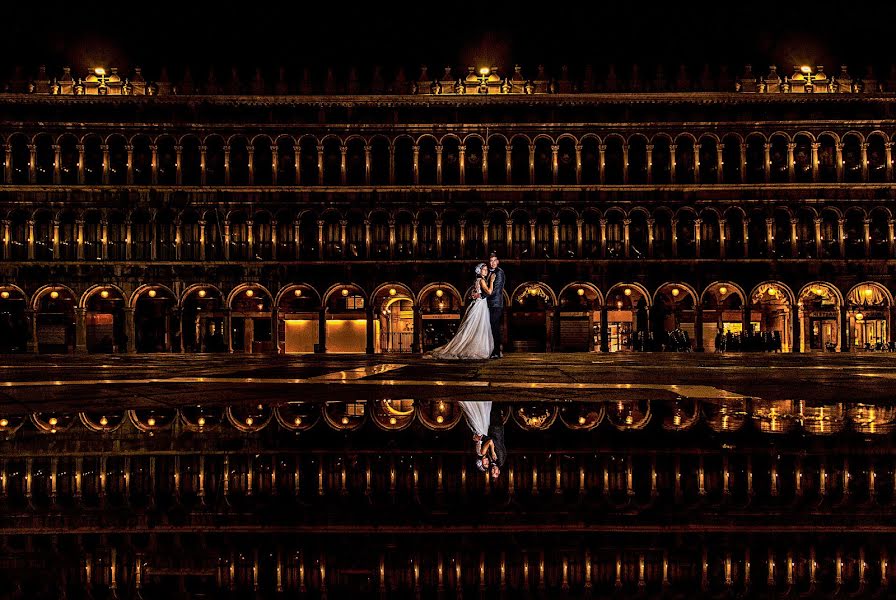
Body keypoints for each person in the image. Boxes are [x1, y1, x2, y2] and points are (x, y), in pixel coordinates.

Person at [425, 263, 494, 360]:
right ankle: (476, 348)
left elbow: (473, 293)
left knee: (475, 326)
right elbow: (489, 292)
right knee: (479, 326)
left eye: (486, 269)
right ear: (479, 271)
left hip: (478, 304)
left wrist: (475, 295)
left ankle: (473, 345)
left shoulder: (477, 280)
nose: (486, 271)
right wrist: (491, 281)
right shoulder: (482, 280)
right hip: (480, 305)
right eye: (484, 269)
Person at [485, 253, 505, 358]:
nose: (492, 263)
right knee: (490, 327)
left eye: (494, 260)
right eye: (491, 261)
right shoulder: (488, 272)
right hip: (489, 304)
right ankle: (493, 350)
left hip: (496, 304)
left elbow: (496, 289)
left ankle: (497, 351)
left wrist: (482, 295)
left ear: (498, 262)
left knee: (494, 327)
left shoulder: (499, 273)